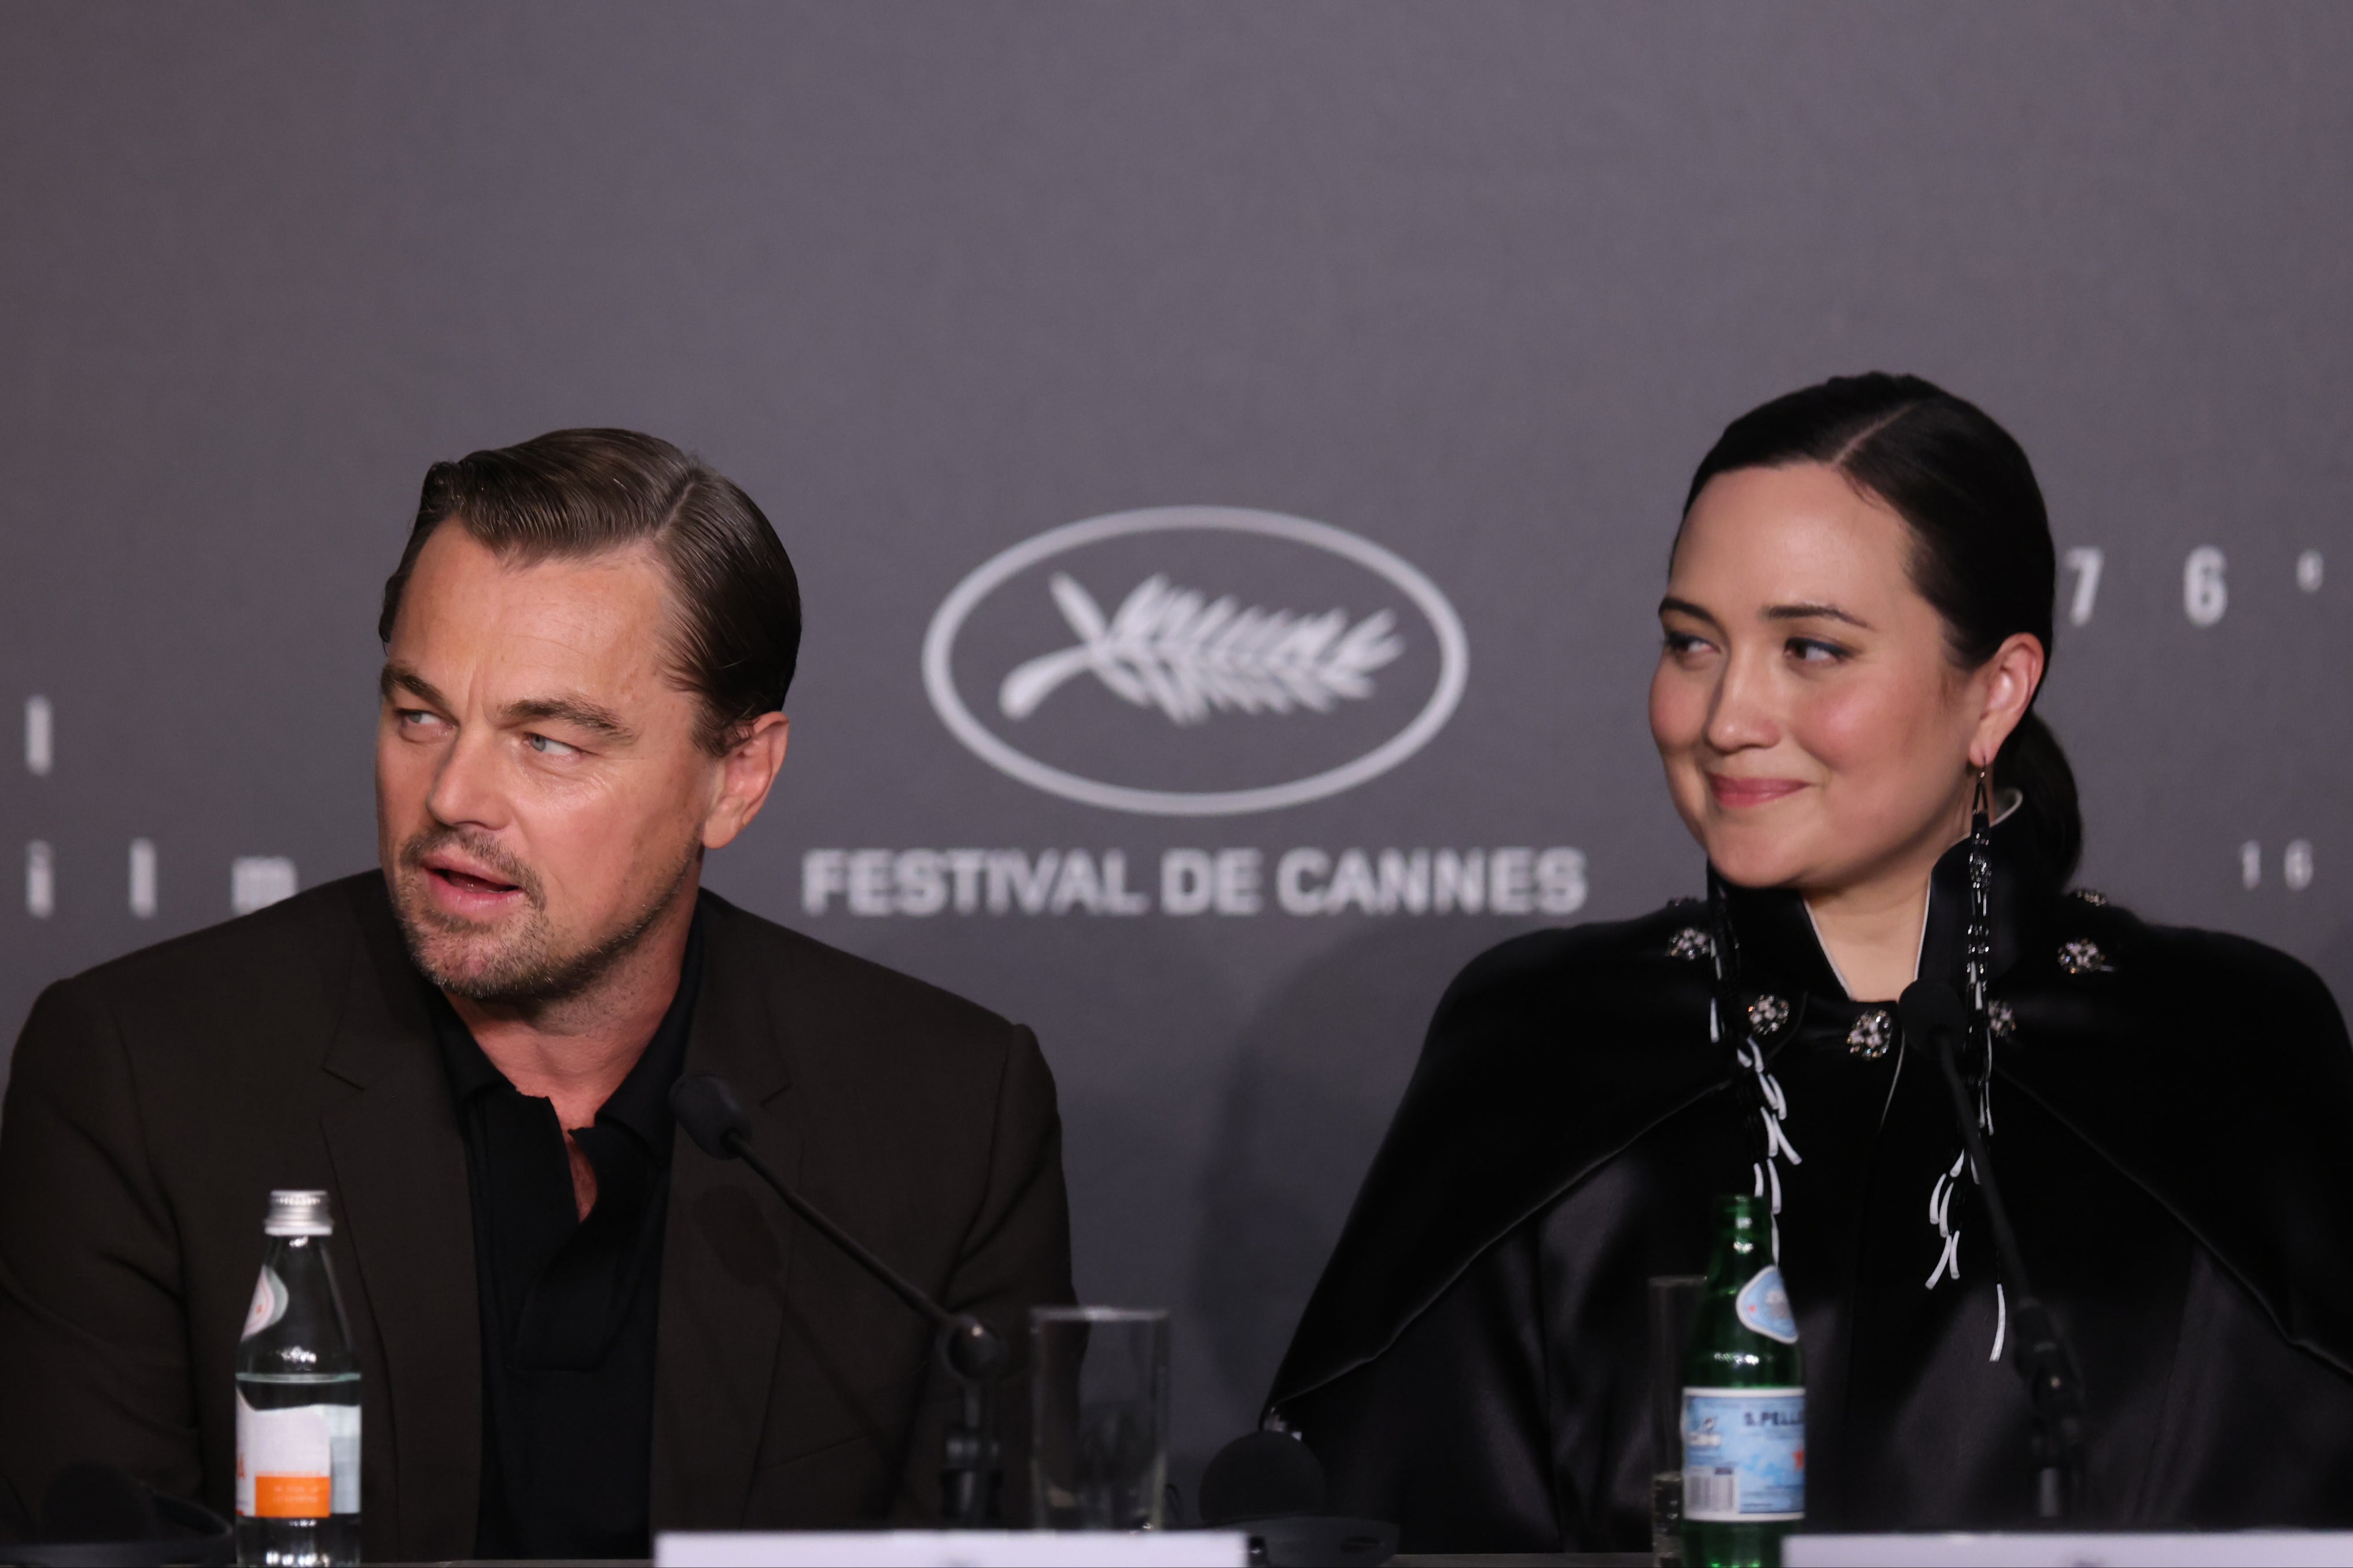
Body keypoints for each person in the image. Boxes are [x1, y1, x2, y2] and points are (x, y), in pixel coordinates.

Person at [1265, 374, 2353, 1549]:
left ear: (1996, 690)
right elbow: (1374, 1509)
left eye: (1811, 648)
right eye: (1693, 643)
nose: (1727, 712)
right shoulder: (1542, 1038)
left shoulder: (2223, 1041)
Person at [0, 430, 1074, 1558]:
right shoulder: (141, 1075)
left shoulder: (949, 1113)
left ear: (736, 775)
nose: (455, 793)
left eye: (550, 741)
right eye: (419, 715)